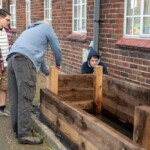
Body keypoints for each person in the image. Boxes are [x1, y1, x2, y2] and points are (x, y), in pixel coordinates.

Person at [7, 20, 62, 144]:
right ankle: (25, 134)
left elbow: (39, 57)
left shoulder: (31, 30)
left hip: (12, 59)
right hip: (24, 62)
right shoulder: (47, 28)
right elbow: (57, 49)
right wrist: (58, 65)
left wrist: (47, 72)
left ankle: (17, 128)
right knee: (26, 98)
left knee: (15, 97)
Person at [0, 9, 11, 116]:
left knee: (4, 87)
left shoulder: (7, 31)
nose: (8, 22)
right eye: (7, 20)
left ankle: (1, 108)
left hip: (7, 64)